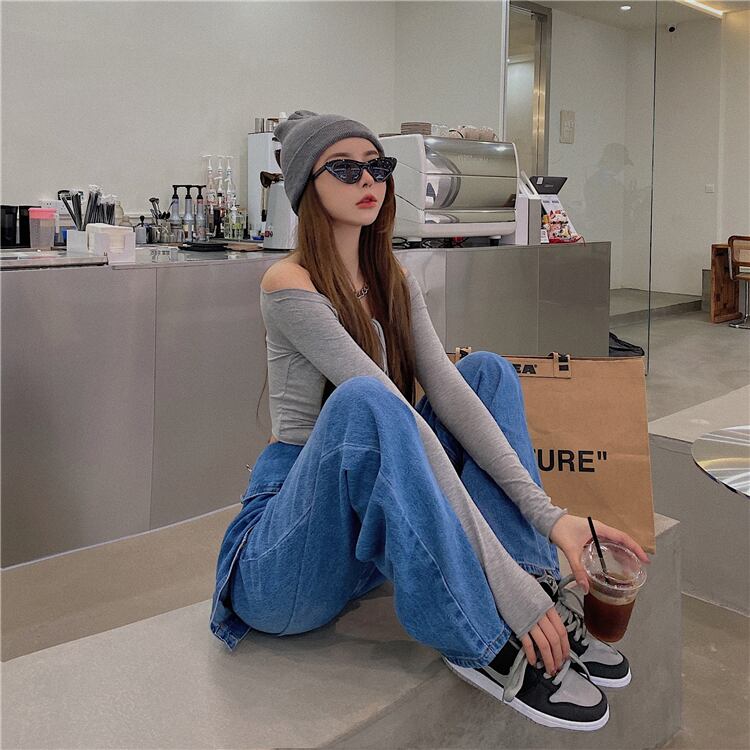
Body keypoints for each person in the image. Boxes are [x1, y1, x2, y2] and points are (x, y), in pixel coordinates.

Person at [210, 110, 650, 732]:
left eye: (378, 166)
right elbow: (395, 418)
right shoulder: (288, 283)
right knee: (368, 400)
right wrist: (500, 586)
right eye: (345, 169)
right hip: (288, 557)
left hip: (363, 536)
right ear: (307, 187)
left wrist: (550, 519)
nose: (369, 180)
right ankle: (482, 638)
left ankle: (540, 591)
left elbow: (448, 395)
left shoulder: (391, 278)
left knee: (485, 372)